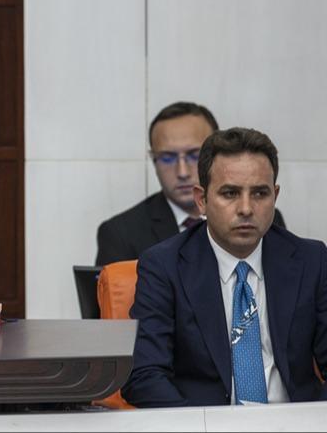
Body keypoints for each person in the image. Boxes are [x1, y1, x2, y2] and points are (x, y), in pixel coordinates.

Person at [123, 128, 327, 407]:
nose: (246, 208)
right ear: (201, 200)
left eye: (260, 193)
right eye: (230, 193)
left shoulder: (312, 260)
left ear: (275, 196)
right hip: (201, 420)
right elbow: (143, 375)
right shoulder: (164, 266)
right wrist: (199, 425)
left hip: (294, 420)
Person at [96, 102, 284, 265]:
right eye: (168, 158)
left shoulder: (265, 218)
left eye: (195, 155)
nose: (183, 172)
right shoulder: (121, 234)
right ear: (153, 160)